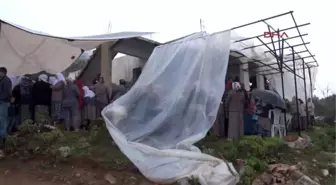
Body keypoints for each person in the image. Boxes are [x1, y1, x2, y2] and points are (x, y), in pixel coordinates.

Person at [0, 67, 12, 151]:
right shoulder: (2, 79)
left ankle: (4, 137)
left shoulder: (6, 80)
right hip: (2, 101)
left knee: (3, 119)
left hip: (3, 102)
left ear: (3, 72)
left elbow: (7, 92)